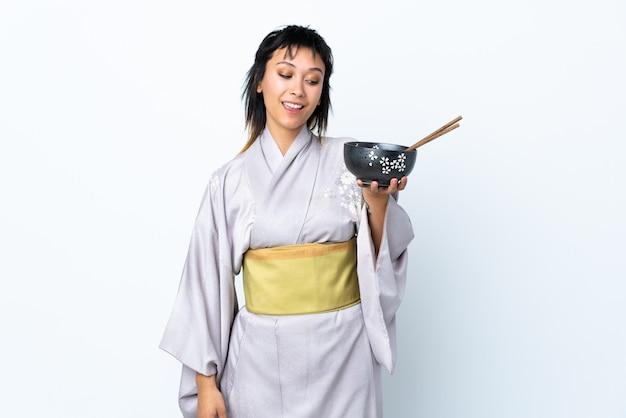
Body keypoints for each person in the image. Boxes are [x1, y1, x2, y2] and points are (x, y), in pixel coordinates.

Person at [160, 24, 414, 418]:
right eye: (285, 74)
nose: (298, 89)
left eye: (313, 81)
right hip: (260, 361)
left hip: (343, 356)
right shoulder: (228, 181)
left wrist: (377, 203)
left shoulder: (350, 163)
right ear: (260, 81)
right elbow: (204, 283)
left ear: (320, 94)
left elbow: (378, 257)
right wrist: (205, 383)